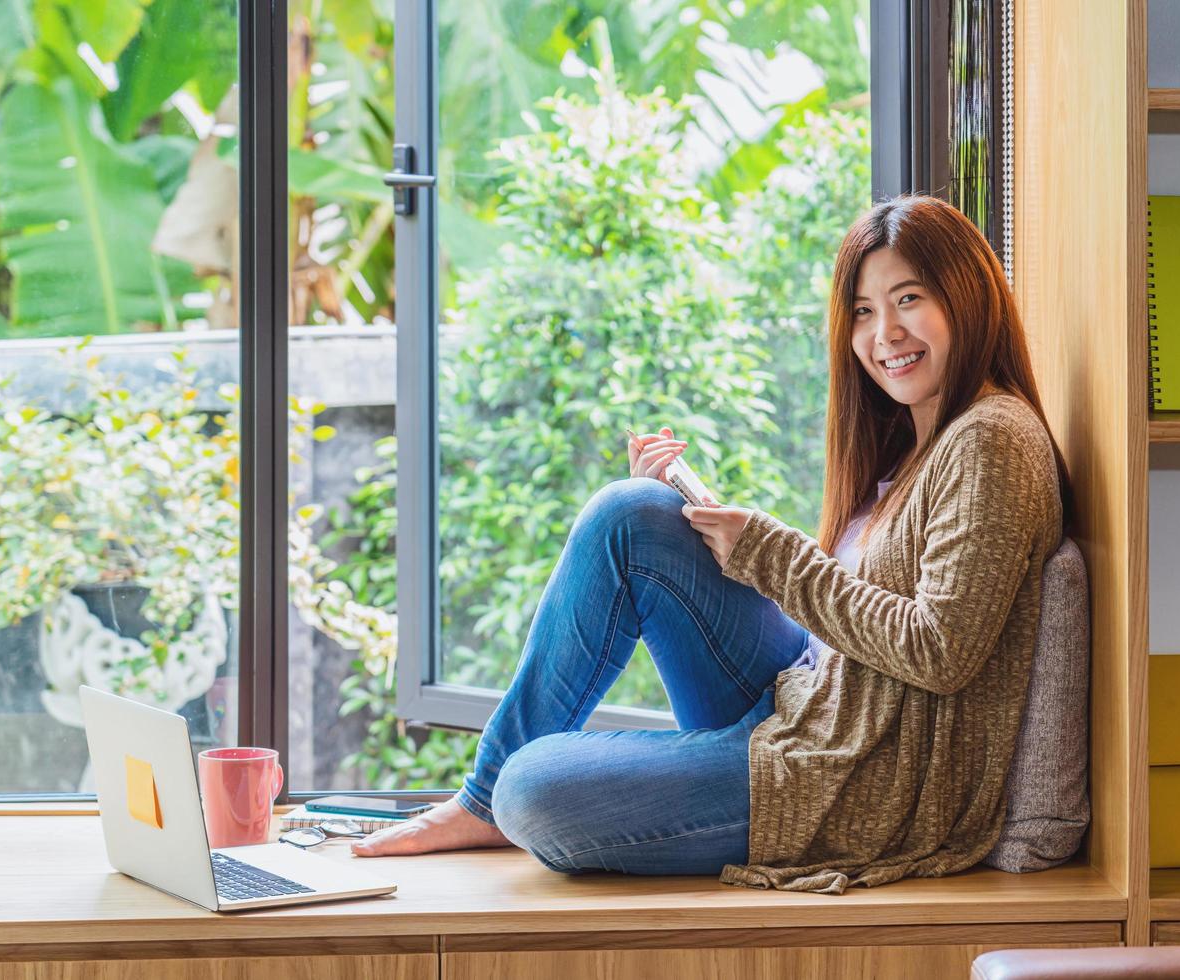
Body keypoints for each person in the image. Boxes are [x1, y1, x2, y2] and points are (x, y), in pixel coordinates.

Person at [351, 195, 1076, 895]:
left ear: (969, 296)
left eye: (909, 299)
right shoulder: (919, 441)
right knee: (635, 514)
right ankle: (478, 803)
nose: (884, 332)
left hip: (849, 780)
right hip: (806, 704)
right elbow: (854, 613)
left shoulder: (992, 440)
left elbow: (939, 651)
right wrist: (703, 518)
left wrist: (768, 550)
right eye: (863, 311)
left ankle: (499, 798)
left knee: (534, 791)